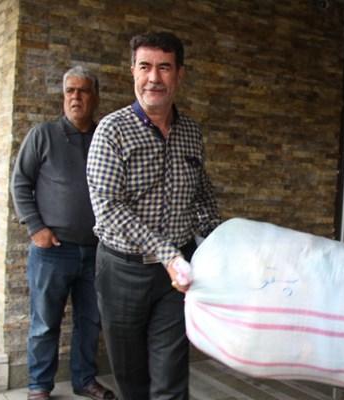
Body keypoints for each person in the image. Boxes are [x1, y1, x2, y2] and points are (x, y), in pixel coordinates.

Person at [86, 31, 221, 399]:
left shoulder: (191, 132)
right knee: (132, 380)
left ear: (179, 74)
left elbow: (202, 193)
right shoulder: (111, 131)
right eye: (145, 67)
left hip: (175, 280)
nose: (154, 78)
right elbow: (109, 208)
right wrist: (166, 253)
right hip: (122, 272)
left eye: (164, 68)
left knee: (171, 378)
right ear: (133, 71)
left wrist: (219, 237)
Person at [11, 66, 116, 400]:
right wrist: (35, 227)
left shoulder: (105, 138)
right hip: (52, 250)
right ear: (63, 96)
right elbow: (20, 183)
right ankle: (39, 386)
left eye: (83, 91)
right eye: (70, 90)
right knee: (44, 323)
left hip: (97, 251)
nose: (75, 97)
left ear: (95, 97)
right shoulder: (43, 135)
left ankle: (84, 380)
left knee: (91, 321)